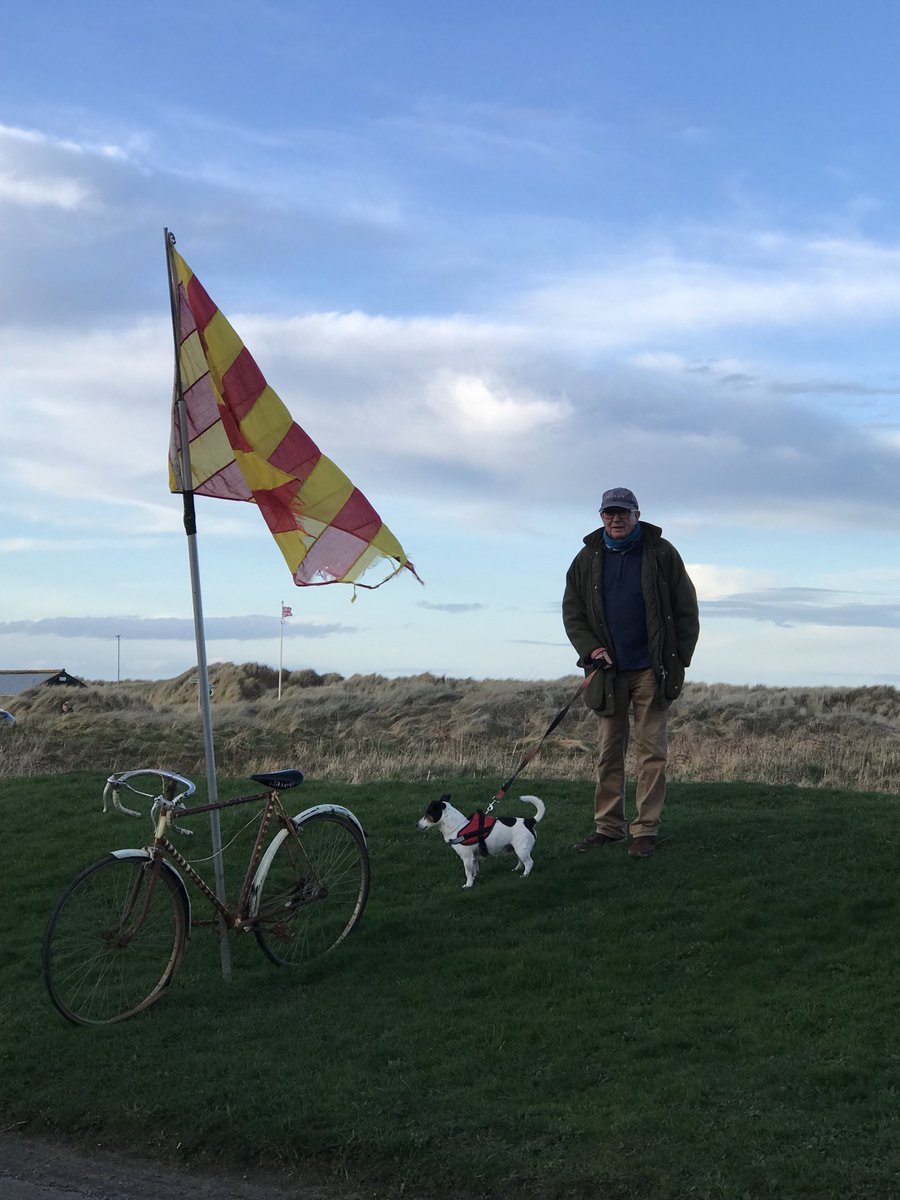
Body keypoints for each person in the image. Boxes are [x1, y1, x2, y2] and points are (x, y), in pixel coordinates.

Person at [562, 487, 699, 858]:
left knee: (652, 754)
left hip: (651, 671)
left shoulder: (662, 553)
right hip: (608, 673)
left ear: (637, 514)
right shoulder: (586, 558)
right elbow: (573, 612)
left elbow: (686, 609)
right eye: (609, 513)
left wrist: (678, 660)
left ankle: (645, 830)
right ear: (601, 517)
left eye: (623, 512)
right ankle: (608, 828)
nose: (616, 519)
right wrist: (591, 649)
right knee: (609, 753)